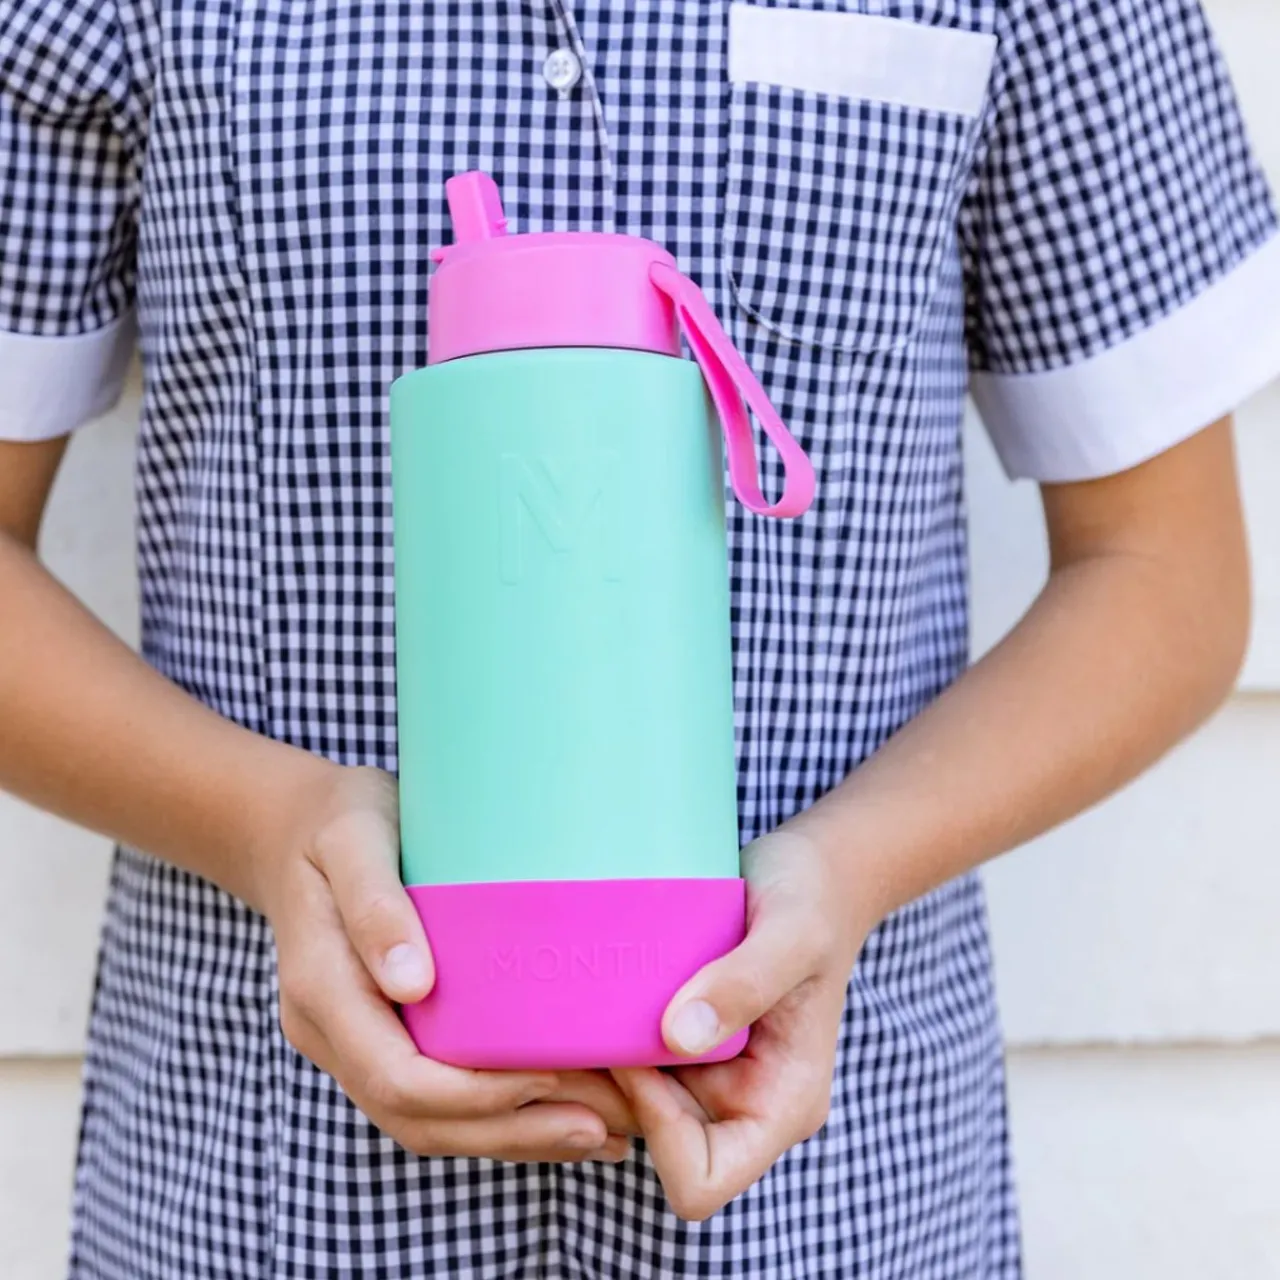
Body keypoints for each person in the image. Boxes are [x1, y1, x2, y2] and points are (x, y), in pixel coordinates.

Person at [2, 1, 1278, 1276]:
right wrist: (266, 823)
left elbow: (1162, 574)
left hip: (843, 1201)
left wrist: (848, 866)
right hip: (261, 1187)